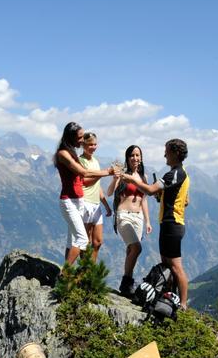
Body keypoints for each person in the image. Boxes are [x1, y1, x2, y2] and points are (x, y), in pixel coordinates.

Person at [119, 139, 189, 307]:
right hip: (170, 224)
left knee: (176, 267)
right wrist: (163, 197)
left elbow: (150, 191)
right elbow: (186, 200)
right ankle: (169, 298)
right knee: (167, 265)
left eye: (167, 151)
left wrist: (131, 179)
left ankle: (183, 304)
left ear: (175, 153)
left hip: (172, 224)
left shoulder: (174, 174)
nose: (164, 154)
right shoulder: (181, 173)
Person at [54, 122, 117, 265]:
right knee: (82, 239)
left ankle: (69, 278)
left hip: (79, 200)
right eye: (80, 137)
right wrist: (107, 172)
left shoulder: (71, 153)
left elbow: (90, 180)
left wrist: (105, 204)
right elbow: (83, 173)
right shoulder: (63, 154)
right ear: (71, 137)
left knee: (72, 242)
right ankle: (65, 274)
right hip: (69, 200)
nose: (83, 140)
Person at [106, 145, 152, 295]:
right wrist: (115, 179)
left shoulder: (143, 177)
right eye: (132, 155)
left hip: (138, 217)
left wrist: (148, 221)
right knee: (137, 248)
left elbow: (143, 199)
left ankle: (126, 285)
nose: (135, 158)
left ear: (141, 158)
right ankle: (127, 281)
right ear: (127, 158)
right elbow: (109, 192)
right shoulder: (123, 175)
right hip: (124, 215)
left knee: (131, 249)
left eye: (138, 155)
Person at [78, 132, 113, 262]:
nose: (93, 147)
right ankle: (84, 270)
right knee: (85, 242)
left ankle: (91, 270)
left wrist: (106, 206)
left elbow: (97, 186)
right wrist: (104, 173)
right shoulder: (80, 161)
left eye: (95, 144)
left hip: (96, 204)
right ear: (83, 145)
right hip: (85, 202)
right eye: (90, 144)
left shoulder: (96, 161)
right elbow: (85, 181)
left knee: (97, 241)